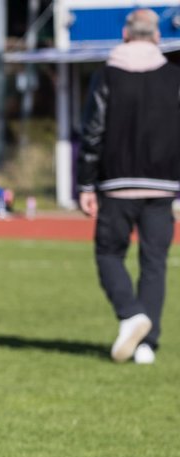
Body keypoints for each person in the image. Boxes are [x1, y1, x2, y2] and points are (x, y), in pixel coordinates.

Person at [77, 7, 180, 365]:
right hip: (163, 186)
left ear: (124, 34)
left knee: (109, 253)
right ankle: (146, 344)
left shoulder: (106, 77)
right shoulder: (174, 77)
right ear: (156, 36)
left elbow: (92, 132)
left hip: (116, 183)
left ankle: (131, 314)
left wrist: (86, 183)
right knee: (154, 262)